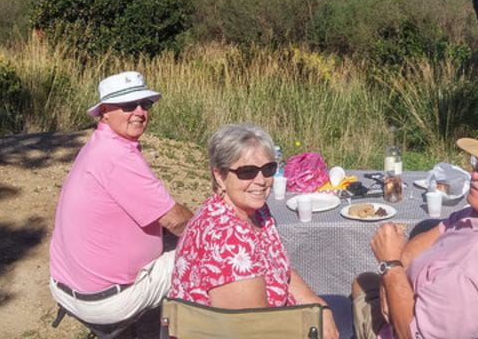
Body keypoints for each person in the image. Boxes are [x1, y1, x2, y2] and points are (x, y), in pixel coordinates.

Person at [352, 116, 478, 339]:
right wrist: (394, 277)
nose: (475, 174)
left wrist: (389, 267)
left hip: (414, 326)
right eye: (477, 163)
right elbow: (440, 230)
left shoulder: (470, 267)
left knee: (361, 283)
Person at [169, 123, 339, 339]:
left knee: (341, 307)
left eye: (268, 169)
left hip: (278, 317)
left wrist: (320, 309)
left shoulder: (255, 212)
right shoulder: (225, 240)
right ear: (220, 176)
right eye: (247, 172)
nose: (260, 181)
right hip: (256, 330)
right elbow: (254, 330)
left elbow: (281, 269)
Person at [49, 71, 193, 325]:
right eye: (128, 105)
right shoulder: (117, 157)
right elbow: (176, 221)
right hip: (105, 300)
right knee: (209, 252)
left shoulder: (99, 144)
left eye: (145, 104)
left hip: (70, 285)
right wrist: (217, 228)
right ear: (105, 111)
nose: (140, 112)